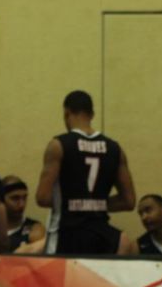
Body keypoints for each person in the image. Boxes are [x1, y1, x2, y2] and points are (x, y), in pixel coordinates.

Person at [36, 89, 136, 255]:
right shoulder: (115, 149)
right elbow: (128, 201)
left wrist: (74, 203)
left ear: (66, 113)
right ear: (92, 114)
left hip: (66, 234)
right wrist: (95, 203)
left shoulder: (58, 145)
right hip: (100, 235)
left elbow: (42, 197)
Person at [0, 176, 46, 253]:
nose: (22, 204)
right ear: (0, 200)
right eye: (15, 198)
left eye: (24, 198)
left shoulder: (34, 229)